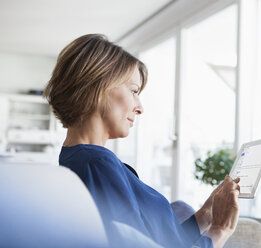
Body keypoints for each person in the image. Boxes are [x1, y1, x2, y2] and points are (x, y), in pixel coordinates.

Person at [44, 33, 240, 248]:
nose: (140, 107)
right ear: (97, 87)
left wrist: (205, 215)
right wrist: (220, 231)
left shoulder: (77, 159)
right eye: (134, 91)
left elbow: (155, 242)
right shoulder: (97, 164)